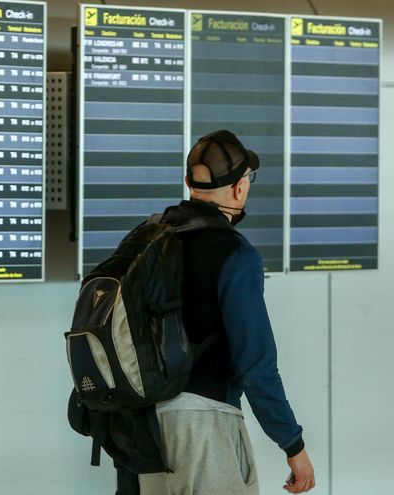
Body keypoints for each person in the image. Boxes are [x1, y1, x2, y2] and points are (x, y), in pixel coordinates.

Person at [135, 130, 315, 494]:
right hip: (202, 422)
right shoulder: (234, 254)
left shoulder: (148, 236)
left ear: (189, 182)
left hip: (138, 425)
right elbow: (257, 365)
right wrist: (292, 445)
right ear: (238, 189)